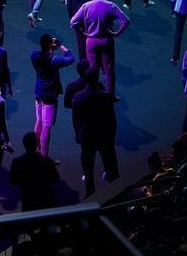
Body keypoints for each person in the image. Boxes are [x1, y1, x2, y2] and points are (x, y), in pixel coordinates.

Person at [66, 62, 118, 191]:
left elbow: (75, 119)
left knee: (88, 169)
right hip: (104, 136)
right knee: (111, 166)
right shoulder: (105, 96)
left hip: (87, 137)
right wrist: (112, 135)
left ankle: (90, 193)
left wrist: (78, 135)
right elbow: (111, 118)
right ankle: (115, 191)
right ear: (97, 78)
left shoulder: (78, 97)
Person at [29, 33, 73, 156]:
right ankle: (44, 157)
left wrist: (50, 50)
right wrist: (60, 45)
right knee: (47, 127)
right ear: (50, 45)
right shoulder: (55, 60)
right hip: (50, 95)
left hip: (38, 92)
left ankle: (35, 150)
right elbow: (70, 58)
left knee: (39, 120)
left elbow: (44, 56)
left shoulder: (34, 55)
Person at [8, 130, 63, 210]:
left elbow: (12, 181)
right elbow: (55, 178)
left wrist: (27, 181)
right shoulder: (46, 160)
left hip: (28, 200)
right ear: (37, 143)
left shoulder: (17, 162)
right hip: (46, 200)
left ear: (24, 144)